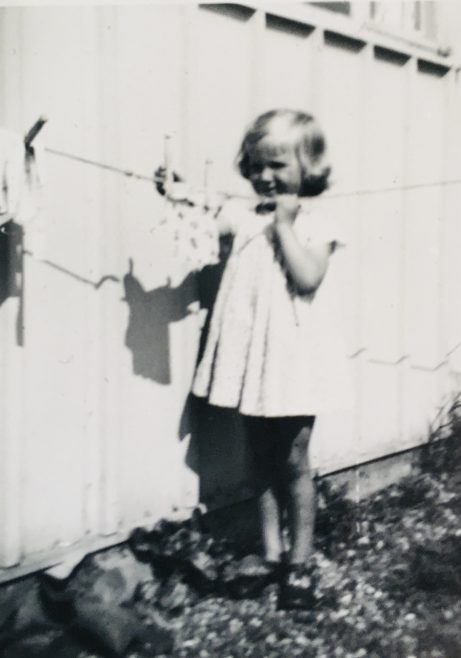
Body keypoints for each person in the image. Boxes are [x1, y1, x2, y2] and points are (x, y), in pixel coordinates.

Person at [155, 109, 354, 609]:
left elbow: (308, 278)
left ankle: (300, 564)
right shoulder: (243, 215)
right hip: (253, 361)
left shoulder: (318, 221)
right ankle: (269, 556)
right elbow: (204, 210)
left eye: (278, 166)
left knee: (294, 460)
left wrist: (285, 227)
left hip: (293, 362)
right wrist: (175, 189)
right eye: (257, 165)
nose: (266, 176)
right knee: (258, 460)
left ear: (308, 167)